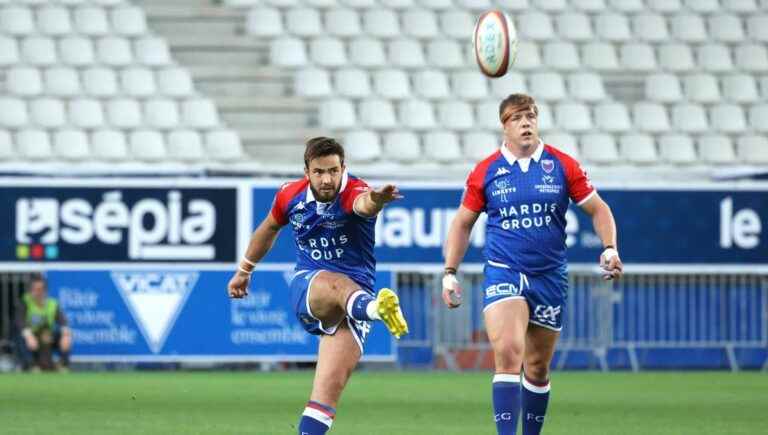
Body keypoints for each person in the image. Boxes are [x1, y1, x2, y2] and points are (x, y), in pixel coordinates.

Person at [441, 93, 623, 435]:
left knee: (537, 367)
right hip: (504, 270)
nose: (526, 123)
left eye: (531, 116)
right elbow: (462, 223)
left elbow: (599, 209)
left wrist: (610, 248)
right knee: (509, 352)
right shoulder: (486, 171)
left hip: (550, 275)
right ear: (504, 126)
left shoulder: (562, 165)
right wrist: (450, 273)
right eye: (516, 118)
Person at [227, 137, 408, 435]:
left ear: (343, 168)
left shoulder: (354, 191)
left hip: (354, 303)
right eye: (320, 172)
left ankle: (374, 309)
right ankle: (379, 310)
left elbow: (364, 205)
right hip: (310, 287)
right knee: (335, 282)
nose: (327, 179)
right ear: (307, 172)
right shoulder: (290, 195)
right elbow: (268, 228)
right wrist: (244, 271)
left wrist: (377, 199)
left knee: (324, 401)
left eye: (334, 171)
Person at [16, 274, 72, 372]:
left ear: (45, 290)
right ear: (31, 290)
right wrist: (29, 336)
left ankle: (63, 365)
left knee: (64, 336)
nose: (39, 292)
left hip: (46, 335)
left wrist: (66, 335)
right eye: (36, 289)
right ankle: (31, 366)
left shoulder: (52, 304)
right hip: (31, 335)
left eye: (41, 289)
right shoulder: (25, 302)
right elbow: (20, 321)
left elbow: (63, 321)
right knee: (21, 337)